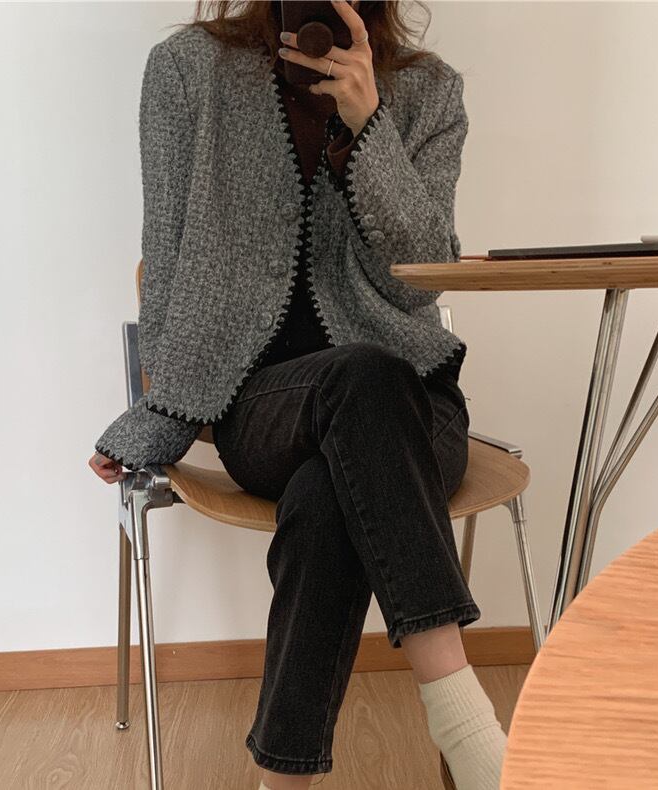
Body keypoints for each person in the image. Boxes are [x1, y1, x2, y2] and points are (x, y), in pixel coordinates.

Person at [89, 2, 507, 788]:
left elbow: (420, 279)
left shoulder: (428, 91)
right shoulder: (187, 72)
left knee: (329, 490)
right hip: (268, 409)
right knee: (359, 378)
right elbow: (168, 263)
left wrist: (369, 126)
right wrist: (163, 413)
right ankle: (467, 726)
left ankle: (281, 781)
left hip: (414, 408)